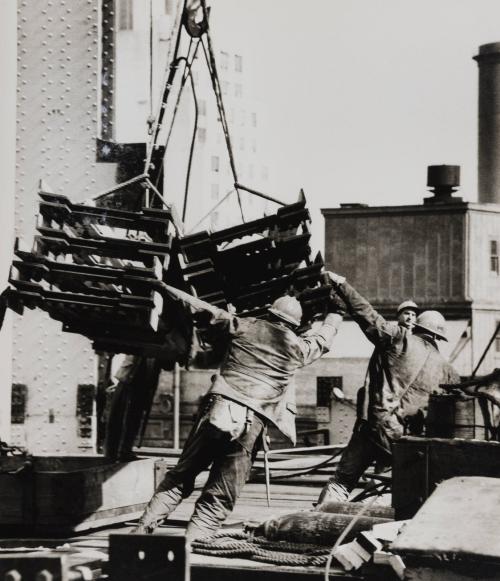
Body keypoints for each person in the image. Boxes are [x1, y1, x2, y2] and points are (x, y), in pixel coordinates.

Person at [132, 284, 344, 540]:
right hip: (251, 423)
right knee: (220, 494)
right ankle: (190, 548)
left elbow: (201, 308)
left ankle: (140, 532)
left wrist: (162, 287)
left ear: (270, 314)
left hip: (217, 411)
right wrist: (336, 311)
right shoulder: (298, 348)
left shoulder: (243, 326)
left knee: (180, 476)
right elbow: (324, 339)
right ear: (295, 324)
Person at [316, 272, 459, 505]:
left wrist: (342, 284)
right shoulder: (448, 372)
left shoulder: (400, 339)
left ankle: (317, 521)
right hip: (406, 442)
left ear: (419, 327)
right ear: (438, 337)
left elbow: (367, 314)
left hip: (372, 428)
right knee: (392, 488)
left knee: (341, 482)